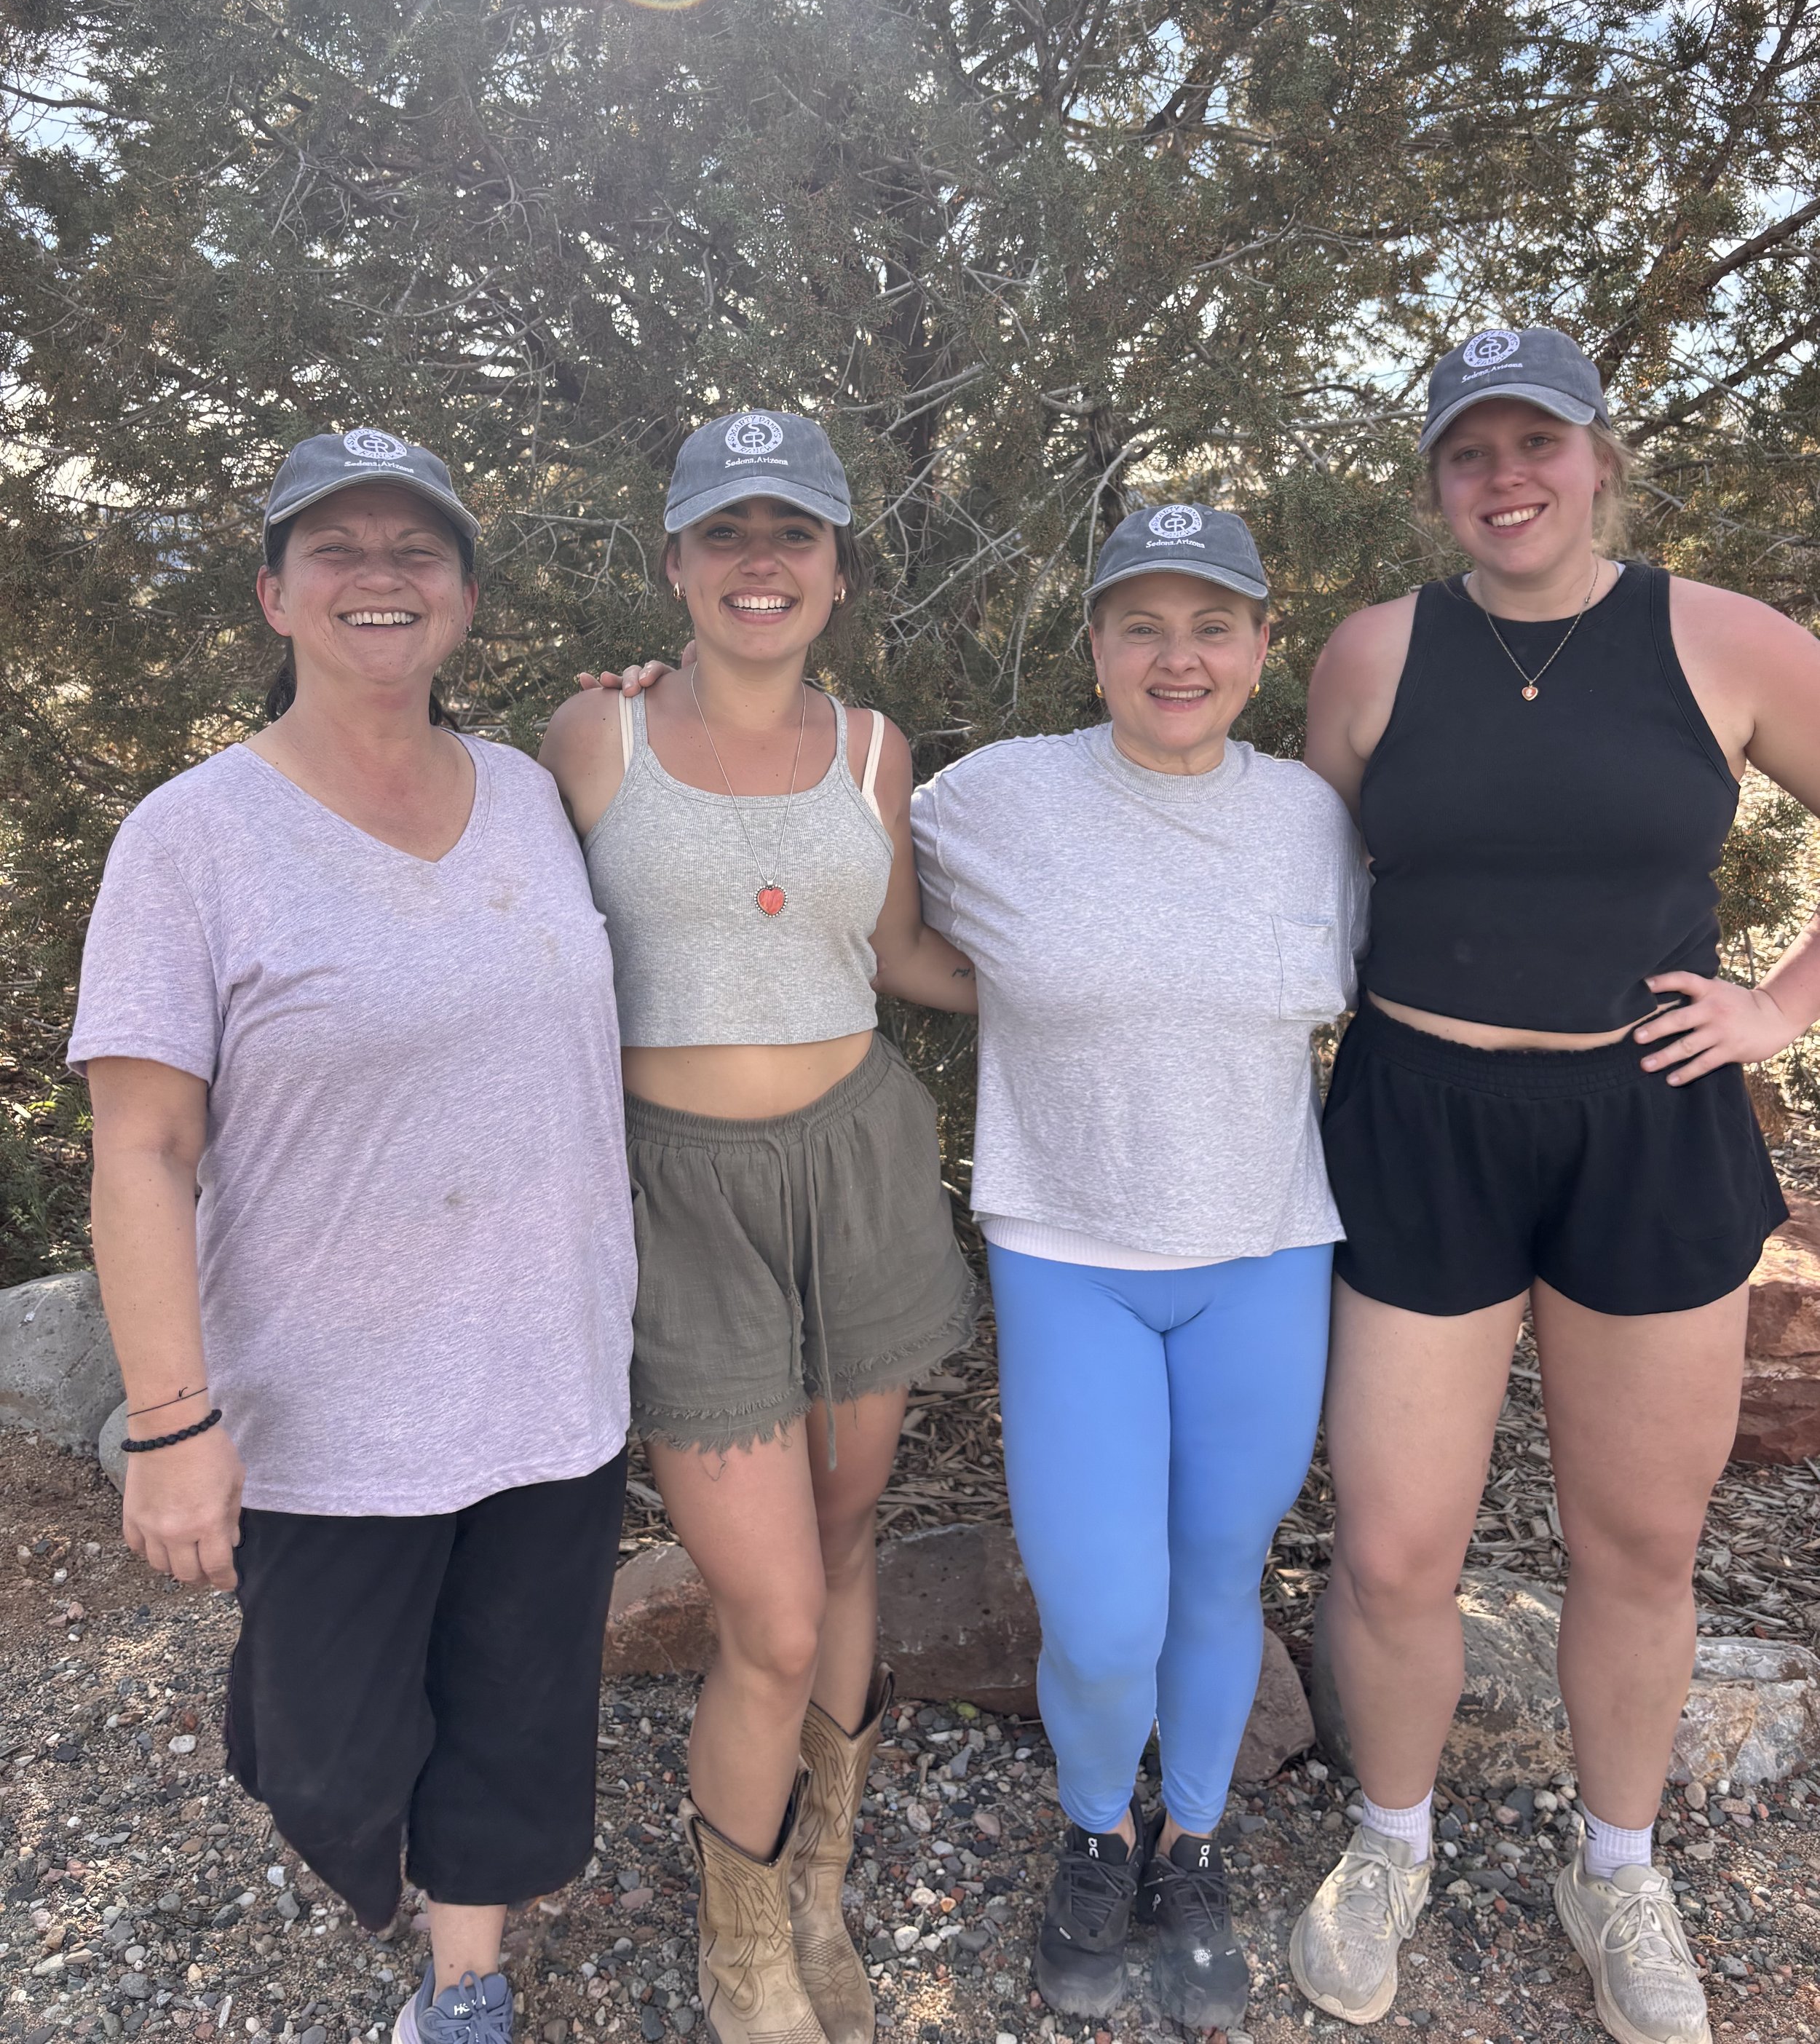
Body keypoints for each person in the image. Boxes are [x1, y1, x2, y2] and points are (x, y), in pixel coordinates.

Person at [70, 429, 639, 2044]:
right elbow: (142, 1140)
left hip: (546, 1369)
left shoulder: (534, 792)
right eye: (338, 548)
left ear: (462, 596)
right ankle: (366, 1843)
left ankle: (466, 1979)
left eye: (417, 550)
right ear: (273, 593)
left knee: (518, 1715)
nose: (379, 577)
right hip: (329, 1406)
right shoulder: (192, 839)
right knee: (325, 1747)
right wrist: (171, 1418)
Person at [1290, 328, 1820, 2044]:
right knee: (1389, 1541)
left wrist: (1774, 1007)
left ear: (1596, 454)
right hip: (1416, 1114)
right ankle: (1390, 1837)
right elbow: (1272, 873)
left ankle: (1615, 1860)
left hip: (1646, 1121)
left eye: (1536, 442)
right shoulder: (1371, 654)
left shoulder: (1722, 637)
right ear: (1435, 476)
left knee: (1639, 1537)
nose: (1503, 477)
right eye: (1467, 451)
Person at [539, 408, 977, 2044]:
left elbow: (913, 955)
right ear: (673, 564)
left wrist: (1110, 992)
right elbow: (509, 948)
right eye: (724, 533)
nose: (759, 561)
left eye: (791, 534)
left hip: (856, 1163)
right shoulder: (594, 739)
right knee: (770, 1609)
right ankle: (737, 1939)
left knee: (849, 1540)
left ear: (837, 573)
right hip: (677, 1194)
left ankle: (816, 1884)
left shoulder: (877, 750)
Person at [909, 503, 1368, 2034]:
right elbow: (819, 865)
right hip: (1070, 1256)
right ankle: (1091, 1825)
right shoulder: (991, 800)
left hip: (1261, 1252)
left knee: (1215, 1578)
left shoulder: (1313, 817)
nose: (1178, 656)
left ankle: (1187, 1848)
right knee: (1102, 1613)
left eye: (1211, 625)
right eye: (1141, 625)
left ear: (1256, 647)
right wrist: (663, 706)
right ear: (1095, 645)